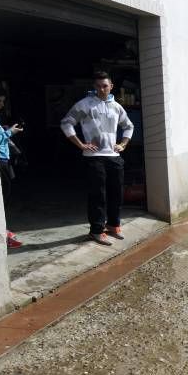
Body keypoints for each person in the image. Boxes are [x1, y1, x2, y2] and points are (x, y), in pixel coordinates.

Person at [60, 72, 134, 246]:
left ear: (111, 87)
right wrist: (80, 144)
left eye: (105, 85)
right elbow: (66, 122)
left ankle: (113, 225)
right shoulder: (85, 104)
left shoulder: (116, 106)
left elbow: (128, 126)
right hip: (94, 158)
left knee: (116, 193)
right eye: (99, 86)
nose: (102, 89)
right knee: (97, 195)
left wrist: (123, 144)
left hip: (114, 156)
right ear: (94, 87)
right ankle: (96, 230)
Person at [0, 92, 24, 249]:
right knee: (4, 195)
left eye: (2, 101)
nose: (1, 104)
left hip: (3, 159)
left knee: (6, 193)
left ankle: (2, 229)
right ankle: (1, 231)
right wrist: (10, 132)